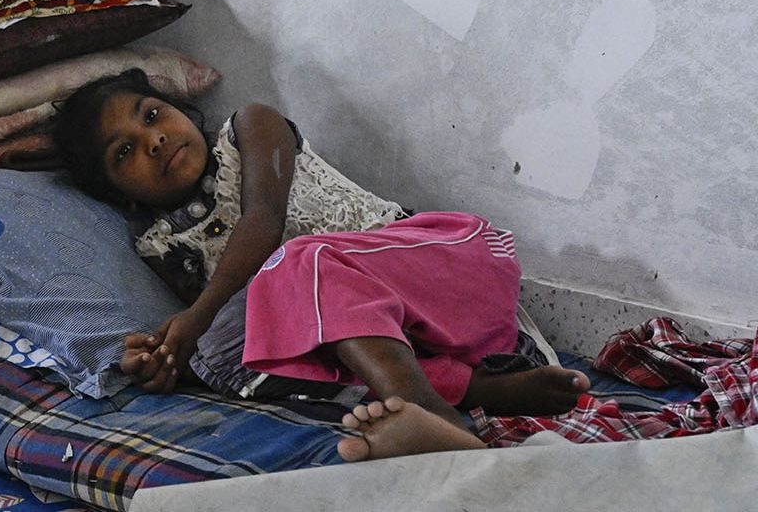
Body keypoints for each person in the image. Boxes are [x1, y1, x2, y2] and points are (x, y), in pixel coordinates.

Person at [54, 69, 591, 461]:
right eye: (123, 153)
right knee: (226, 354)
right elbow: (239, 327)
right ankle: (473, 392)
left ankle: (437, 416)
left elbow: (263, 222)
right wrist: (166, 358)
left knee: (299, 261)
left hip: (441, 265)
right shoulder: (159, 246)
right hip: (388, 334)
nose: (153, 140)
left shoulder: (250, 128)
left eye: (152, 116)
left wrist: (191, 321)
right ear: (112, 191)